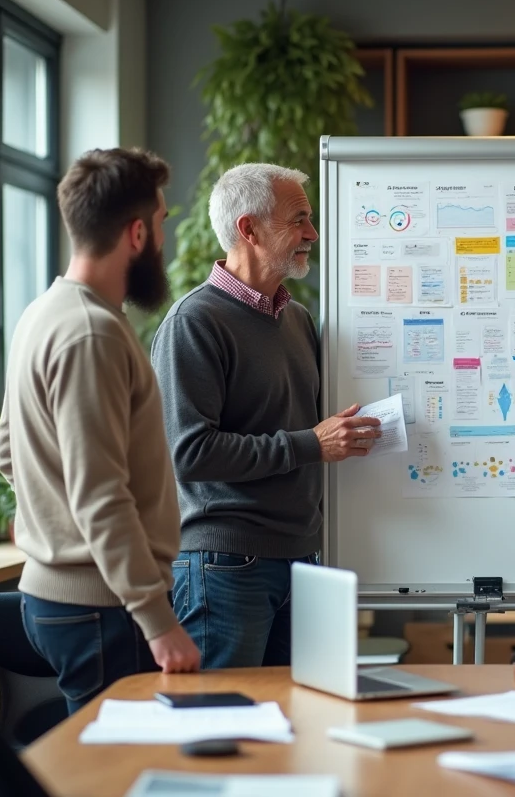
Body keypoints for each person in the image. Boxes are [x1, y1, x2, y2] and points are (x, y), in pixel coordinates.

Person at [150, 163, 382, 669]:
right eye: (299, 220)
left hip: (302, 561)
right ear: (249, 229)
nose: (312, 234)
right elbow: (189, 452)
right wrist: (311, 444)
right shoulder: (193, 322)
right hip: (225, 564)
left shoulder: (297, 320)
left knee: (300, 712)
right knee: (223, 712)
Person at [0, 148, 201, 715]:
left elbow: (10, 451)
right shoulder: (92, 333)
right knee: (120, 762)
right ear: (136, 233)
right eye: (161, 223)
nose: (164, 239)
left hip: (66, 599)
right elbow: (101, 495)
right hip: (103, 608)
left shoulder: (43, 313)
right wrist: (158, 622)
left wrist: (53, 525)